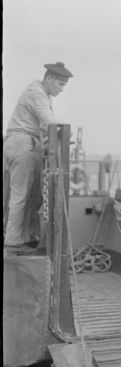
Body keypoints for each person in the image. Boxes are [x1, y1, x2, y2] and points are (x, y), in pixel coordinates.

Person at [3, 62, 73, 255]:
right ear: (49, 78)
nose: (61, 90)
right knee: (21, 195)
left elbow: (45, 126)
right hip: (22, 145)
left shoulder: (44, 95)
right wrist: (68, 134)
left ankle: (26, 239)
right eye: (60, 84)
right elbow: (50, 122)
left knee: (33, 197)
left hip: (30, 146)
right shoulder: (36, 92)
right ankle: (12, 242)